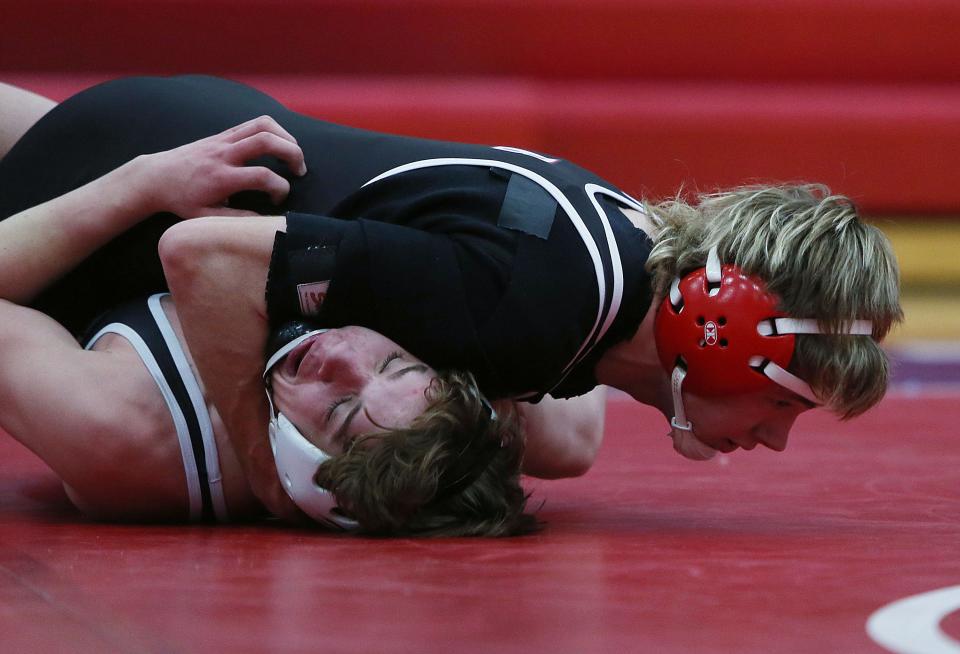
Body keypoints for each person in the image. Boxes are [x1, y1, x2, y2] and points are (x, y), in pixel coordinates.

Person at [2, 75, 900, 523]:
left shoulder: (623, 263)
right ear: (721, 328)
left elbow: (554, 403)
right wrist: (264, 466)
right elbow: (205, 258)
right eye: (782, 403)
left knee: (566, 440)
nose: (773, 438)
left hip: (192, 128)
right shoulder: (526, 302)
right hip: (138, 193)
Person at [0, 106, 544, 535]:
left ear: (298, 473)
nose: (342, 354)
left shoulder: (131, 430)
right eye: (395, 362)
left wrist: (137, 185)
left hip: (45, 203)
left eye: (339, 408)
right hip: (158, 142)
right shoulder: (461, 407)